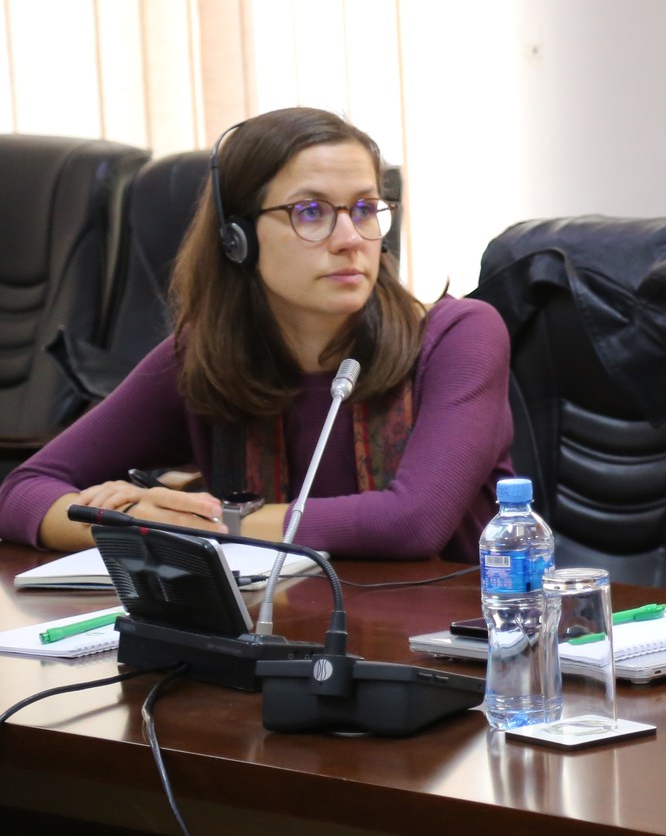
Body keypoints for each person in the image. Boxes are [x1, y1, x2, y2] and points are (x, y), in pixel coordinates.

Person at [0, 108, 514, 561]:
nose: (349, 239)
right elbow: (21, 492)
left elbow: (410, 523)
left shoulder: (459, 336)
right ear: (238, 238)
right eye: (310, 212)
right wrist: (132, 522)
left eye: (364, 209)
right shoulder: (203, 358)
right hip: (272, 628)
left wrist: (198, 524)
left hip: (448, 633)